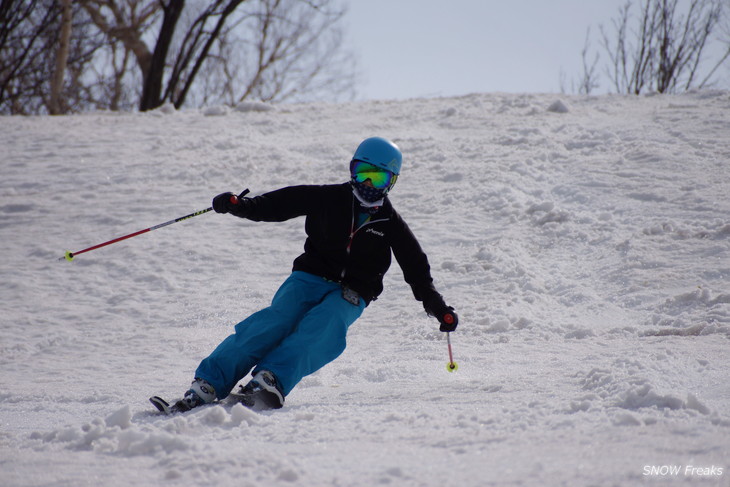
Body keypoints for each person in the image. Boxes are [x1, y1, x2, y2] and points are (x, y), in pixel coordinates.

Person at [165, 137, 458, 412]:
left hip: (353, 291)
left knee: (325, 324)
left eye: (378, 177)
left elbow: (417, 269)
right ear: (352, 170)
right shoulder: (328, 198)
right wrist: (240, 206)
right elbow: (280, 204)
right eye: (362, 172)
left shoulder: (391, 223)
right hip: (309, 278)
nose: (368, 182)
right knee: (275, 321)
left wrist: (437, 307)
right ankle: (209, 382)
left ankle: (271, 380)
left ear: (391, 182)